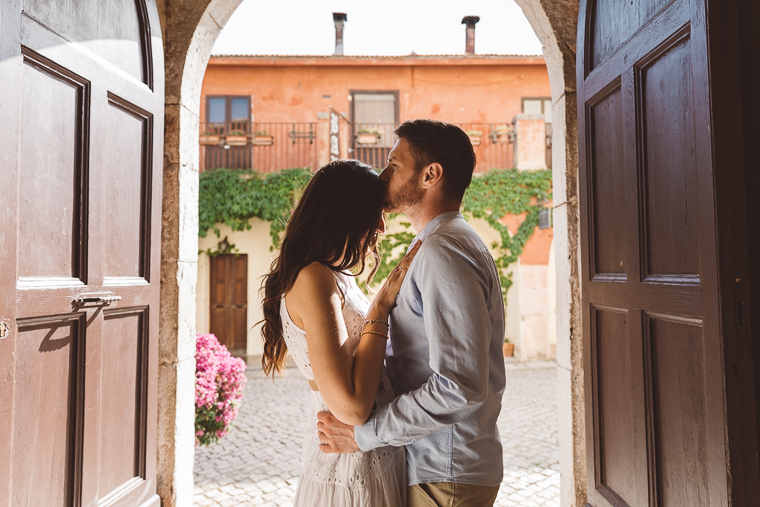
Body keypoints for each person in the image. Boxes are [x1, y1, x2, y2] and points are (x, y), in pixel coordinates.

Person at [317, 120, 507, 507]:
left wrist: (362, 436)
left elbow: (459, 385)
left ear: (430, 174)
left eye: (394, 164)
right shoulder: (437, 244)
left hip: (445, 471)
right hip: (436, 467)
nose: (383, 176)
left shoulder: (444, 251)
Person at [260, 159, 420, 507]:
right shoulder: (314, 277)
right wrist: (380, 308)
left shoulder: (337, 274)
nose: (381, 224)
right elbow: (350, 408)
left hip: (370, 454)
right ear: (342, 213)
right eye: (373, 212)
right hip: (347, 470)